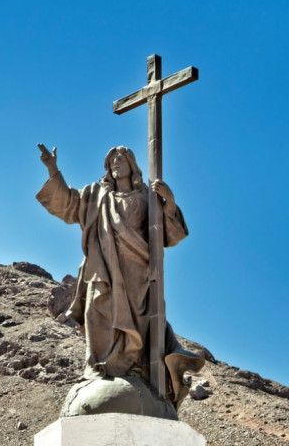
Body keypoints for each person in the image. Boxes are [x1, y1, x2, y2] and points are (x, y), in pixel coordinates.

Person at [36, 143, 203, 407]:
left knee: (137, 322)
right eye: (111, 159)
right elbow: (67, 203)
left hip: (137, 271)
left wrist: (168, 201)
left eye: (121, 157)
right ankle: (100, 370)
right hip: (101, 269)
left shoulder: (147, 197)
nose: (115, 162)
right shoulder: (95, 194)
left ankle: (135, 371)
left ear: (132, 164)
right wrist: (53, 169)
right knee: (98, 313)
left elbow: (171, 234)